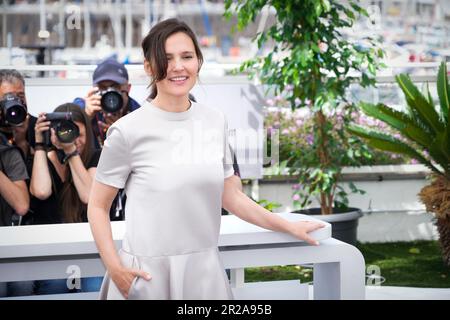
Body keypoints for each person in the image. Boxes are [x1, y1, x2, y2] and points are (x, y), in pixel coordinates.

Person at [88, 18, 324, 300]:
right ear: (149, 68)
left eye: (187, 57)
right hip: (145, 278)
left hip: (203, 276)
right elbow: (98, 206)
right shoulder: (127, 131)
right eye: (166, 58)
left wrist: (287, 225)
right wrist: (115, 268)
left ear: (198, 62)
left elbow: (232, 197)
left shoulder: (215, 121)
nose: (177, 67)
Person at [30, 103, 102, 294]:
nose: (74, 138)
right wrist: (39, 144)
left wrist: (71, 152)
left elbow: (88, 195)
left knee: (93, 288)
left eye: (79, 133)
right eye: (66, 131)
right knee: (54, 286)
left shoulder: (97, 157)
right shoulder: (44, 158)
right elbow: (41, 191)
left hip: (90, 250)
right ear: (53, 132)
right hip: (52, 250)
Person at [73, 58, 141, 150]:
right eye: (102, 88)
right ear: (94, 89)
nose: (110, 95)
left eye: (115, 87)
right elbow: (64, 133)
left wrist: (124, 131)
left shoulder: (137, 113)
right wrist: (85, 117)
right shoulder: (82, 106)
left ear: (128, 88)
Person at [0, 69, 37, 176]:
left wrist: (21, 142)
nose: (16, 102)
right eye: (8, 97)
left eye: (20, 96)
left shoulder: (37, 128)